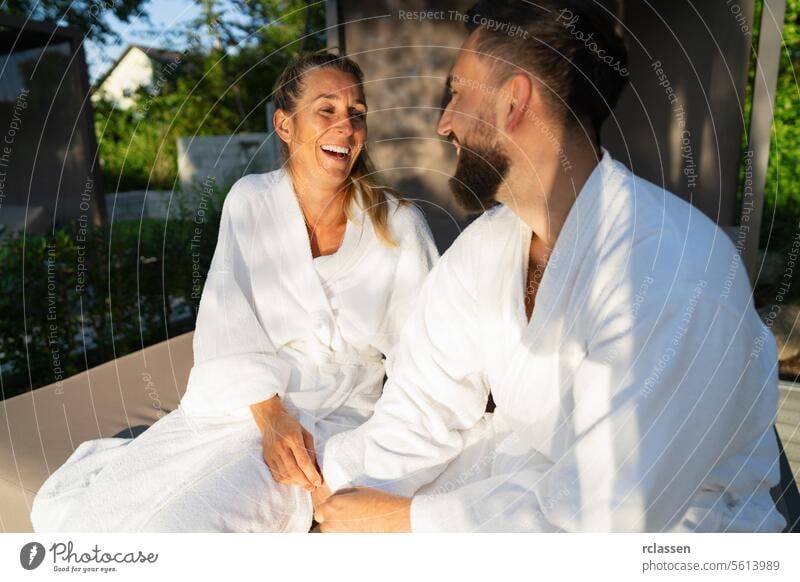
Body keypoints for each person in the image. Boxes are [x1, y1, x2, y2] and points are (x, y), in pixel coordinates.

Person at [314, 1, 787, 533]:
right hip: (528, 497)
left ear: (513, 102)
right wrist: (330, 486)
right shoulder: (487, 248)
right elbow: (422, 408)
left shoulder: (669, 265)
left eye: (458, 93)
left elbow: (611, 509)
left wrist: (409, 520)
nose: (444, 123)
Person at [30, 51, 438, 532]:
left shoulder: (396, 224)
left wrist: (389, 452)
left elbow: (431, 352)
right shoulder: (250, 201)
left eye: (357, 114)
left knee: (175, 531)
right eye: (326, 110)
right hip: (244, 403)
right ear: (285, 126)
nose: (345, 127)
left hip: (336, 416)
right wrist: (270, 417)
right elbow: (227, 321)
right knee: (84, 516)